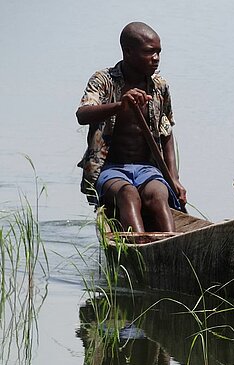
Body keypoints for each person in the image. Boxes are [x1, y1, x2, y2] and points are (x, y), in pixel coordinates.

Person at [76, 21, 187, 233]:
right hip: (110, 168)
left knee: (158, 196)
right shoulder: (104, 81)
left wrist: (174, 178)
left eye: (158, 52)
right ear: (128, 51)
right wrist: (120, 105)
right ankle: (139, 248)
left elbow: (167, 134)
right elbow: (82, 115)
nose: (156, 58)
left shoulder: (159, 86)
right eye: (149, 52)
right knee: (128, 195)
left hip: (147, 168)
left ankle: (173, 244)